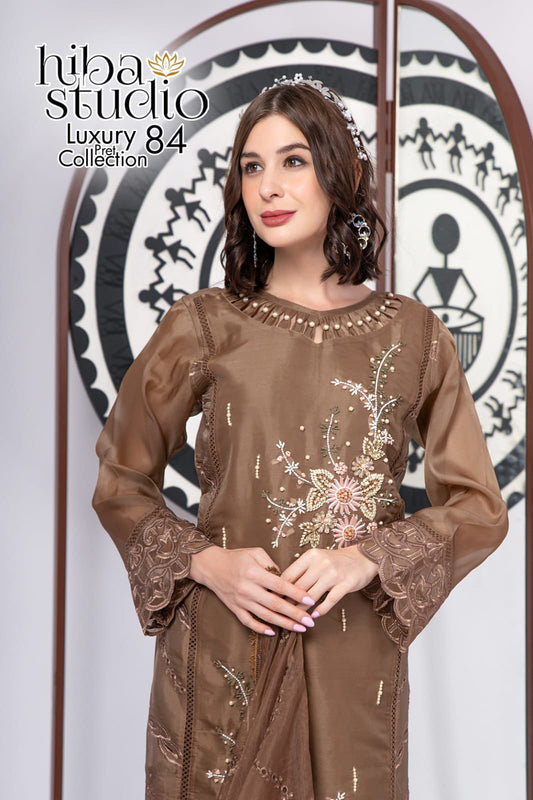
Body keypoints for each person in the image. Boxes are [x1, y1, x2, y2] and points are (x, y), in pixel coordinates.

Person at [91, 74, 509, 800]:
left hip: (354, 658)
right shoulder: (205, 324)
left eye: (293, 161)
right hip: (224, 646)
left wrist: (368, 558)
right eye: (251, 166)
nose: (268, 187)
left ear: (341, 174)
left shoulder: (414, 337)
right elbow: (120, 480)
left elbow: (478, 507)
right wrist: (204, 563)